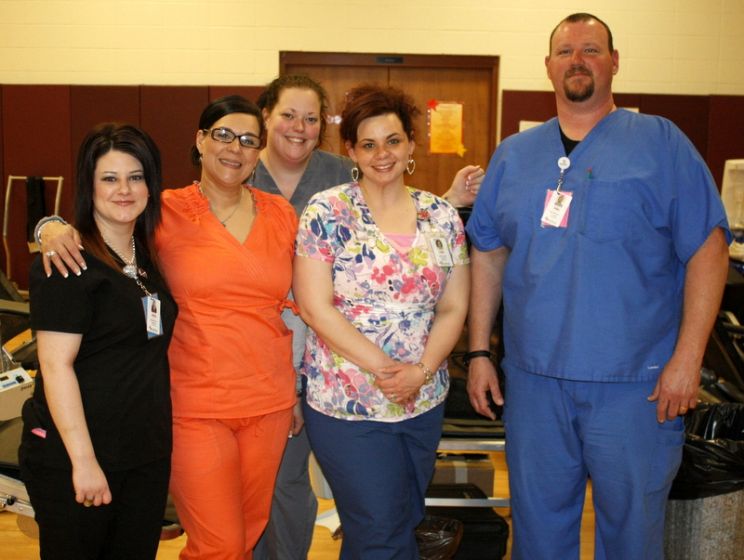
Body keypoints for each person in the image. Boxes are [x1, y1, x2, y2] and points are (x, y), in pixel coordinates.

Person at [465, 12, 730, 560]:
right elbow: (487, 252)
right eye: (565, 51)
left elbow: (709, 249)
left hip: (635, 385)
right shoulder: (515, 155)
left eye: (591, 49)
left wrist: (688, 358)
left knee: (632, 535)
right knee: (538, 533)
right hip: (535, 382)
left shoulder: (660, 143)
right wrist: (479, 352)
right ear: (548, 66)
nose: (577, 61)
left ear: (614, 62)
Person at [37, 95, 298, 560]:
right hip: (194, 401)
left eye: (248, 139)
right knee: (219, 544)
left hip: (267, 398)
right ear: (200, 140)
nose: (234, 148)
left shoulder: (282, 214)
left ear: (260, 151)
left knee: (246, 535)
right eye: (223, 135)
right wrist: (48, 227)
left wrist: (297, 388)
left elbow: (305, 300)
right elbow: (100, 221)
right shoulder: (163, 211)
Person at [250, 74, 484, 560]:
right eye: (369, 144)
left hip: (422, 399)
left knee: (397, 521)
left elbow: (453, 306)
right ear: (351, 152)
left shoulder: (440, 216)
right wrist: (387, 369)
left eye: (393, 141)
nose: (382, 154)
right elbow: (314, 306)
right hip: (348, 402)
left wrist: (420, 372)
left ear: (411, 144)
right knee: (380, 529)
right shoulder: (327, 212)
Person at [19, 123, 177, 559]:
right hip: (79, 455)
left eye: (135, 177)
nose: (124, 190)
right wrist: (84, 461)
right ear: (89, 187)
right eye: (109, 178)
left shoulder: (144, 257)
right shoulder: (66, 264)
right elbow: (56, 366)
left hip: (142, 453)